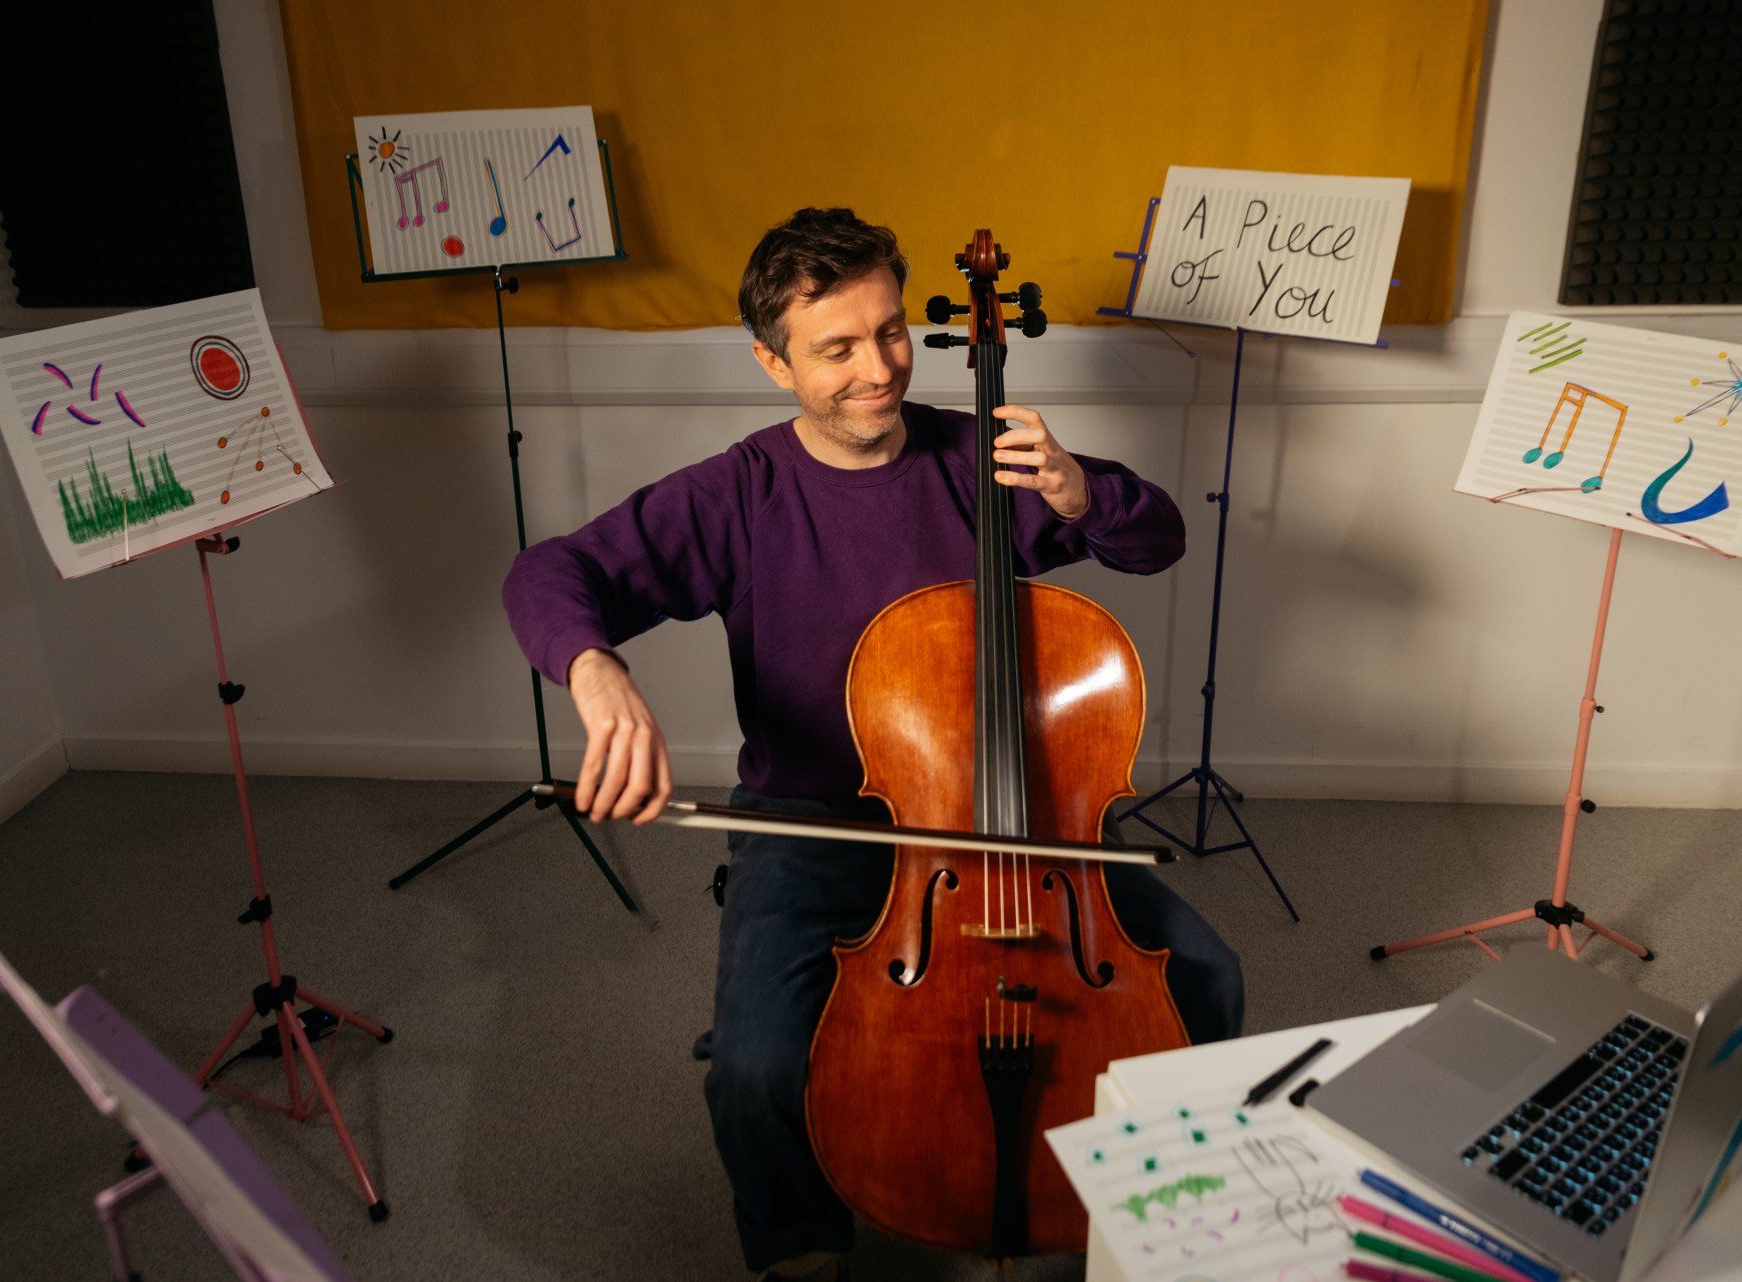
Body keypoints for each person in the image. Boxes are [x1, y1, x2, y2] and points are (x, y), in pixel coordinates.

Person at [503, 208, 1243, 1280]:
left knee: (1207, 977)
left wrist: (1086, 493)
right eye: (837, 346)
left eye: (891, 331)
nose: (879, 368)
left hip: (1018, 816)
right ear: (772, 361)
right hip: (810, 821)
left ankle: (1166, 1215)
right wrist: (596, 668)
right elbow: (550, 573)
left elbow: (1156, 535)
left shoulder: (980, 457)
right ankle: (803, 1253)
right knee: (755, 1069)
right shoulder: (741, 492)